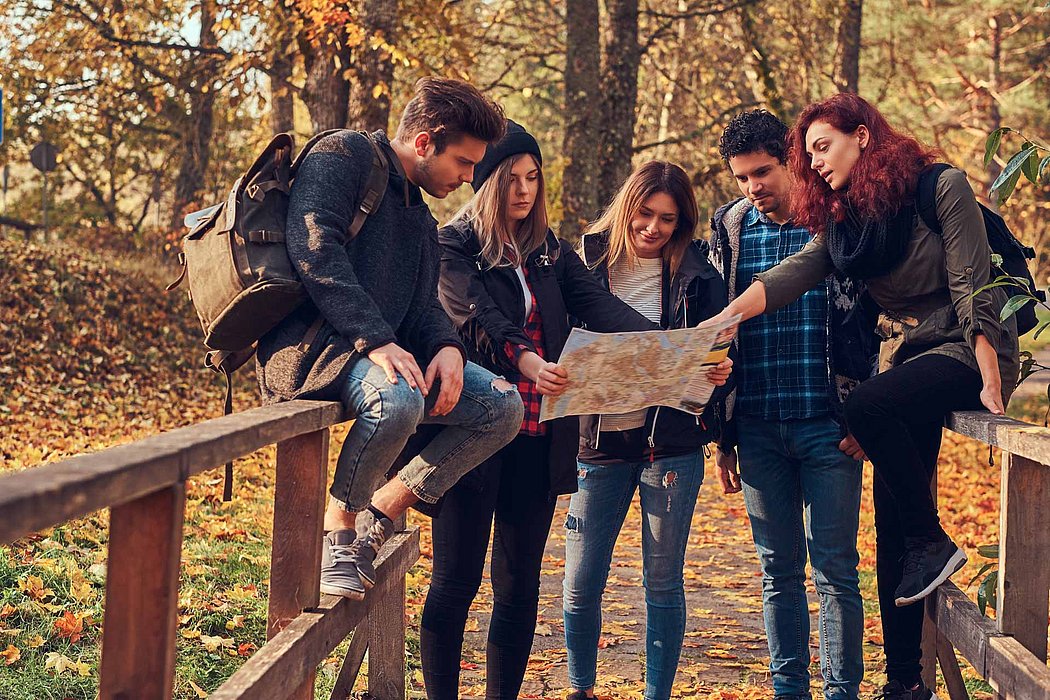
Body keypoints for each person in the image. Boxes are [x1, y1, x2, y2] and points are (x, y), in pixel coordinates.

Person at [708, 93, 1019, 700]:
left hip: (967, 346)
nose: (816, 163)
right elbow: (792, 273)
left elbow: (971, 283)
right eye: (809, 153)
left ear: (864, 137)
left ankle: (933, 539)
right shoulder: (850, 222)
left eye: (823, 147)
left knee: (866, 406)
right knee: (891, 528)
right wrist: (730, 318)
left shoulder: (940, 186)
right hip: (916, 360)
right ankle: (904, 679)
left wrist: (989, 373)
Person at [419, 121, 705, 700]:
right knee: (456, 581)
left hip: (537, 433)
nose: (524, 190)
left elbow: (601, 305)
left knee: (520, 585)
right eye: (511, 178)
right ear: (486, 180)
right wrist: (524, 359)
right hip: (472, 432)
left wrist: (677, 353)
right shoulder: (453, 245)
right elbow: (473, 317)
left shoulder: (548, 250)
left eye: (533, 177)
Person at [256, 77, 525, 601]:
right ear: (425, 142)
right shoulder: (343, 154)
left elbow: (423, 305)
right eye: (465, 164)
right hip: (311, 349)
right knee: (397, 398)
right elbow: (313, 246)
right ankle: (339, 533)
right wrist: (376, 338)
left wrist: (448, 347)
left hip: (374, 352)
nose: (470, 179)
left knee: (502, 405)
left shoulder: (419, 216)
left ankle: (378, 513)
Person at [708, 109, 875, 700]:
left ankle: (841, 692)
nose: (754, 187)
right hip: (756, 428)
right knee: (777, 573)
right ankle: (789, 691)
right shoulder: (729, 229)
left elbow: (872, 319)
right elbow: (718, 337)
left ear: (792, 160)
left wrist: (863, 413)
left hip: (829, 427)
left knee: (835, 571)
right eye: (741, 177)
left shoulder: (837, 219)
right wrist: (723, 434)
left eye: (763, 171)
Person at [561, 161, 732, 700]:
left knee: (662, 584)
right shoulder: (582, 265)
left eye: (667, 219)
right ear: (625, 206)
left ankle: (657, 693)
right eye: (645, 213)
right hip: (598, 446)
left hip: (672, 449)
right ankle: (580, 688)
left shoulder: (698, 274)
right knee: (579, 585)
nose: (653, 228)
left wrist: (720, 372)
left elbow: (719, 355)